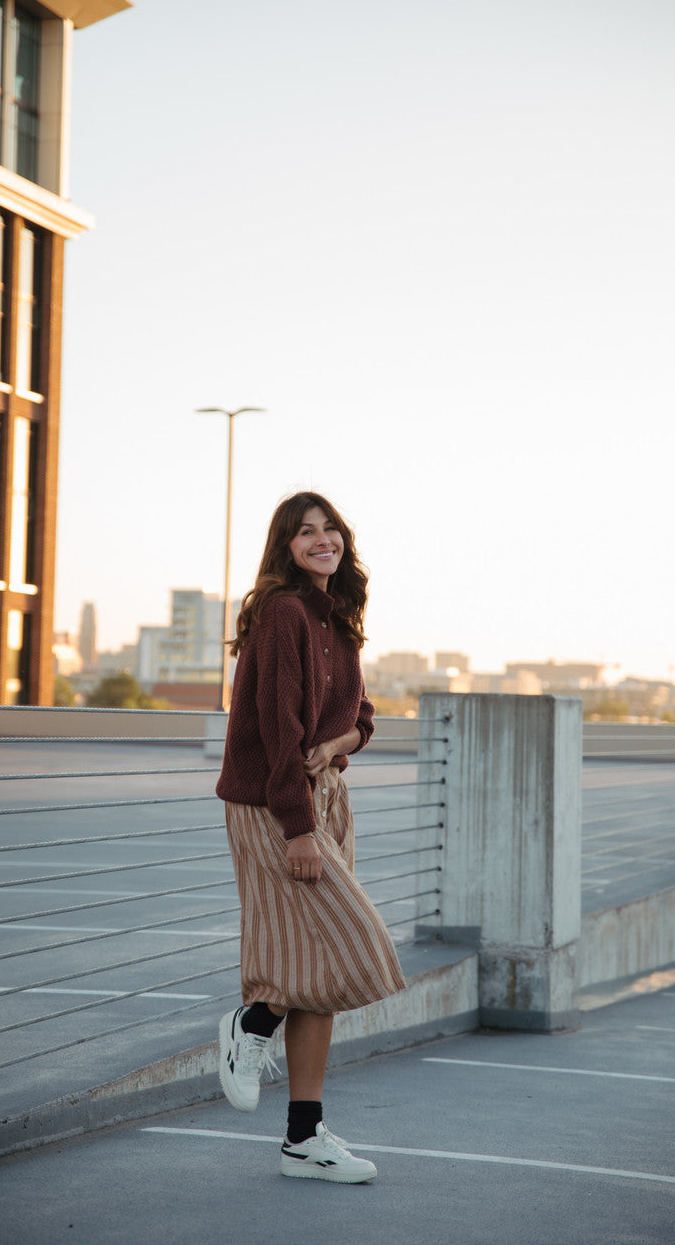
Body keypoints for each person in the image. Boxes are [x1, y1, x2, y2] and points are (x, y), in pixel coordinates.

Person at [215, 491, 405, 1184]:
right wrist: (298, 830)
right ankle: (254, 1024)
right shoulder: (283, 612)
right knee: (354, 941)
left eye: (329, 530)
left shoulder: (338, 616)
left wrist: (345, 742)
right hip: (276, 806)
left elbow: (362, 715)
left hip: (323, 798)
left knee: (319, 978)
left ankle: (303, 1138)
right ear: (285, 547)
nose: (321, 540)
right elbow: (273, 730)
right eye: (305, 533)